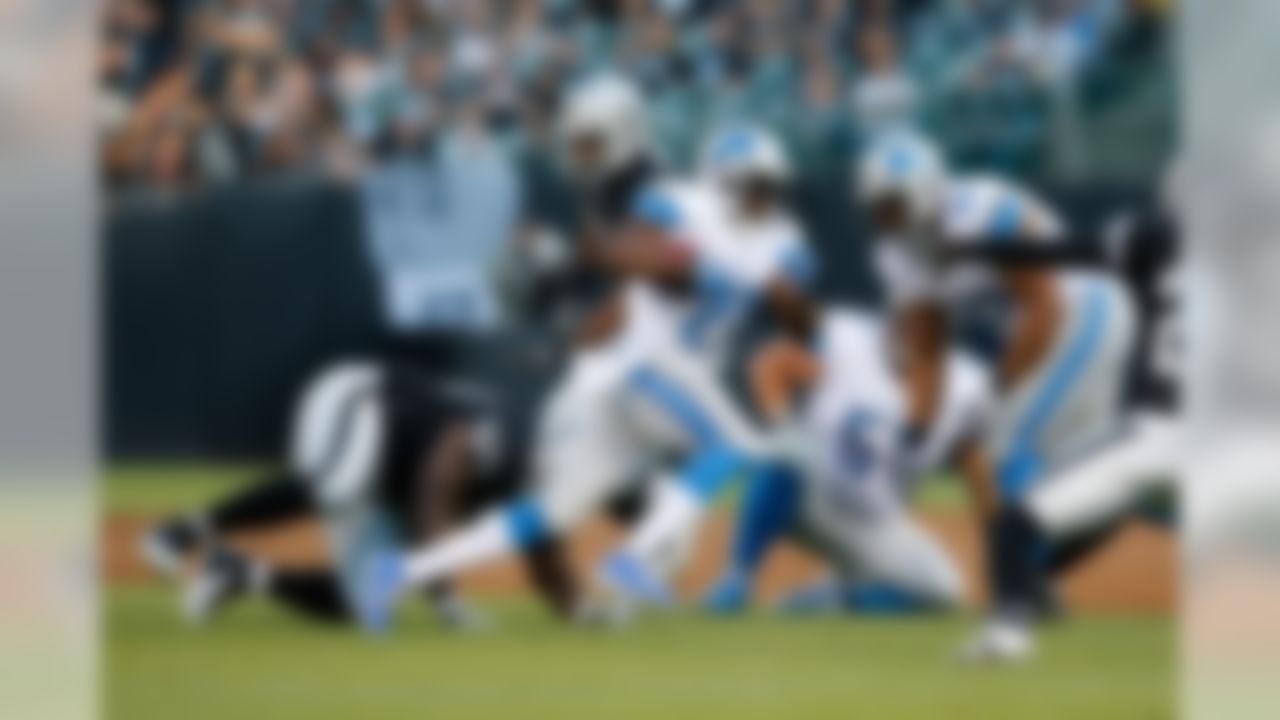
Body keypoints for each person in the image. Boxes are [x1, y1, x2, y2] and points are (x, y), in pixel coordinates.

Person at [349, 117, 818, 634]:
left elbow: (799, 319)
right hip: (649, 363)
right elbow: (626, 255)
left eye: (768, 185)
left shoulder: (783, 240)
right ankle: (635, 561)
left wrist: (780, 295)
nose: (762, 196)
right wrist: (685, 268)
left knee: (552, 514)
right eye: (751, 184)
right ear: (720, 181)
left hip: (671, 380)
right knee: (733, 444)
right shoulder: (681, 205)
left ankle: (399, 570)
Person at [857, 131, 1137, 660]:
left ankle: (1014, 614)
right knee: (1095, 468)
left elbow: (1045, 307)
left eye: (891, 204)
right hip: (1051, 330)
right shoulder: (896, 253)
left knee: (1009, 447)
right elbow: (928, 347)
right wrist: (915, 429)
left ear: (924, 193)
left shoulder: (986, 210)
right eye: (875, 207)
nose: (883, 217)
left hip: (1084, 310)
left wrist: (996, 389)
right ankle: (1037, 581)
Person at [140, 359, 580, 628]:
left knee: (365, 600)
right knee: (337, 482)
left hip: (390, 467)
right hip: (365, 399)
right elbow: (436, 480)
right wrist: (447, 599)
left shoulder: (537, 481)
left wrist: (577, 611)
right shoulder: (515, 432)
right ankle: (184, 531)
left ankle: (240, 572)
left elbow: (541, 548)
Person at [960, 171, 1182, 662]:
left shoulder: (1154, 238)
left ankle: (1009, 634)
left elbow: (1071, 253)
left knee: (1017, 521)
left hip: (1156, 439)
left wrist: (988, 249)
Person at [701, 307, 993, 616]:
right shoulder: (856, 349)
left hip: (875, 521)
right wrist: (783, 425)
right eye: (903, 327)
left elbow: (973, 462)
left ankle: (830, 602)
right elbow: (775, 362)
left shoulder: (962, 387)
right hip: (811, 494)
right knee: (787, 454)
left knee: (943, 594)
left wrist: (1000, 548)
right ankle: (738, 576)